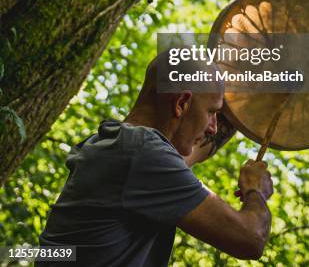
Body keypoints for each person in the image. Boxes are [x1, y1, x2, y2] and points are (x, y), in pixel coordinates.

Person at [36, 51, 273, 265]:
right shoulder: (144, 155)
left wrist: (245, 96)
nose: (212, 127)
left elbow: (202, 146)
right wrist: (256, 190)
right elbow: (250, 239)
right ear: (181, 103)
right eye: (211, 112)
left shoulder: (116, 145)